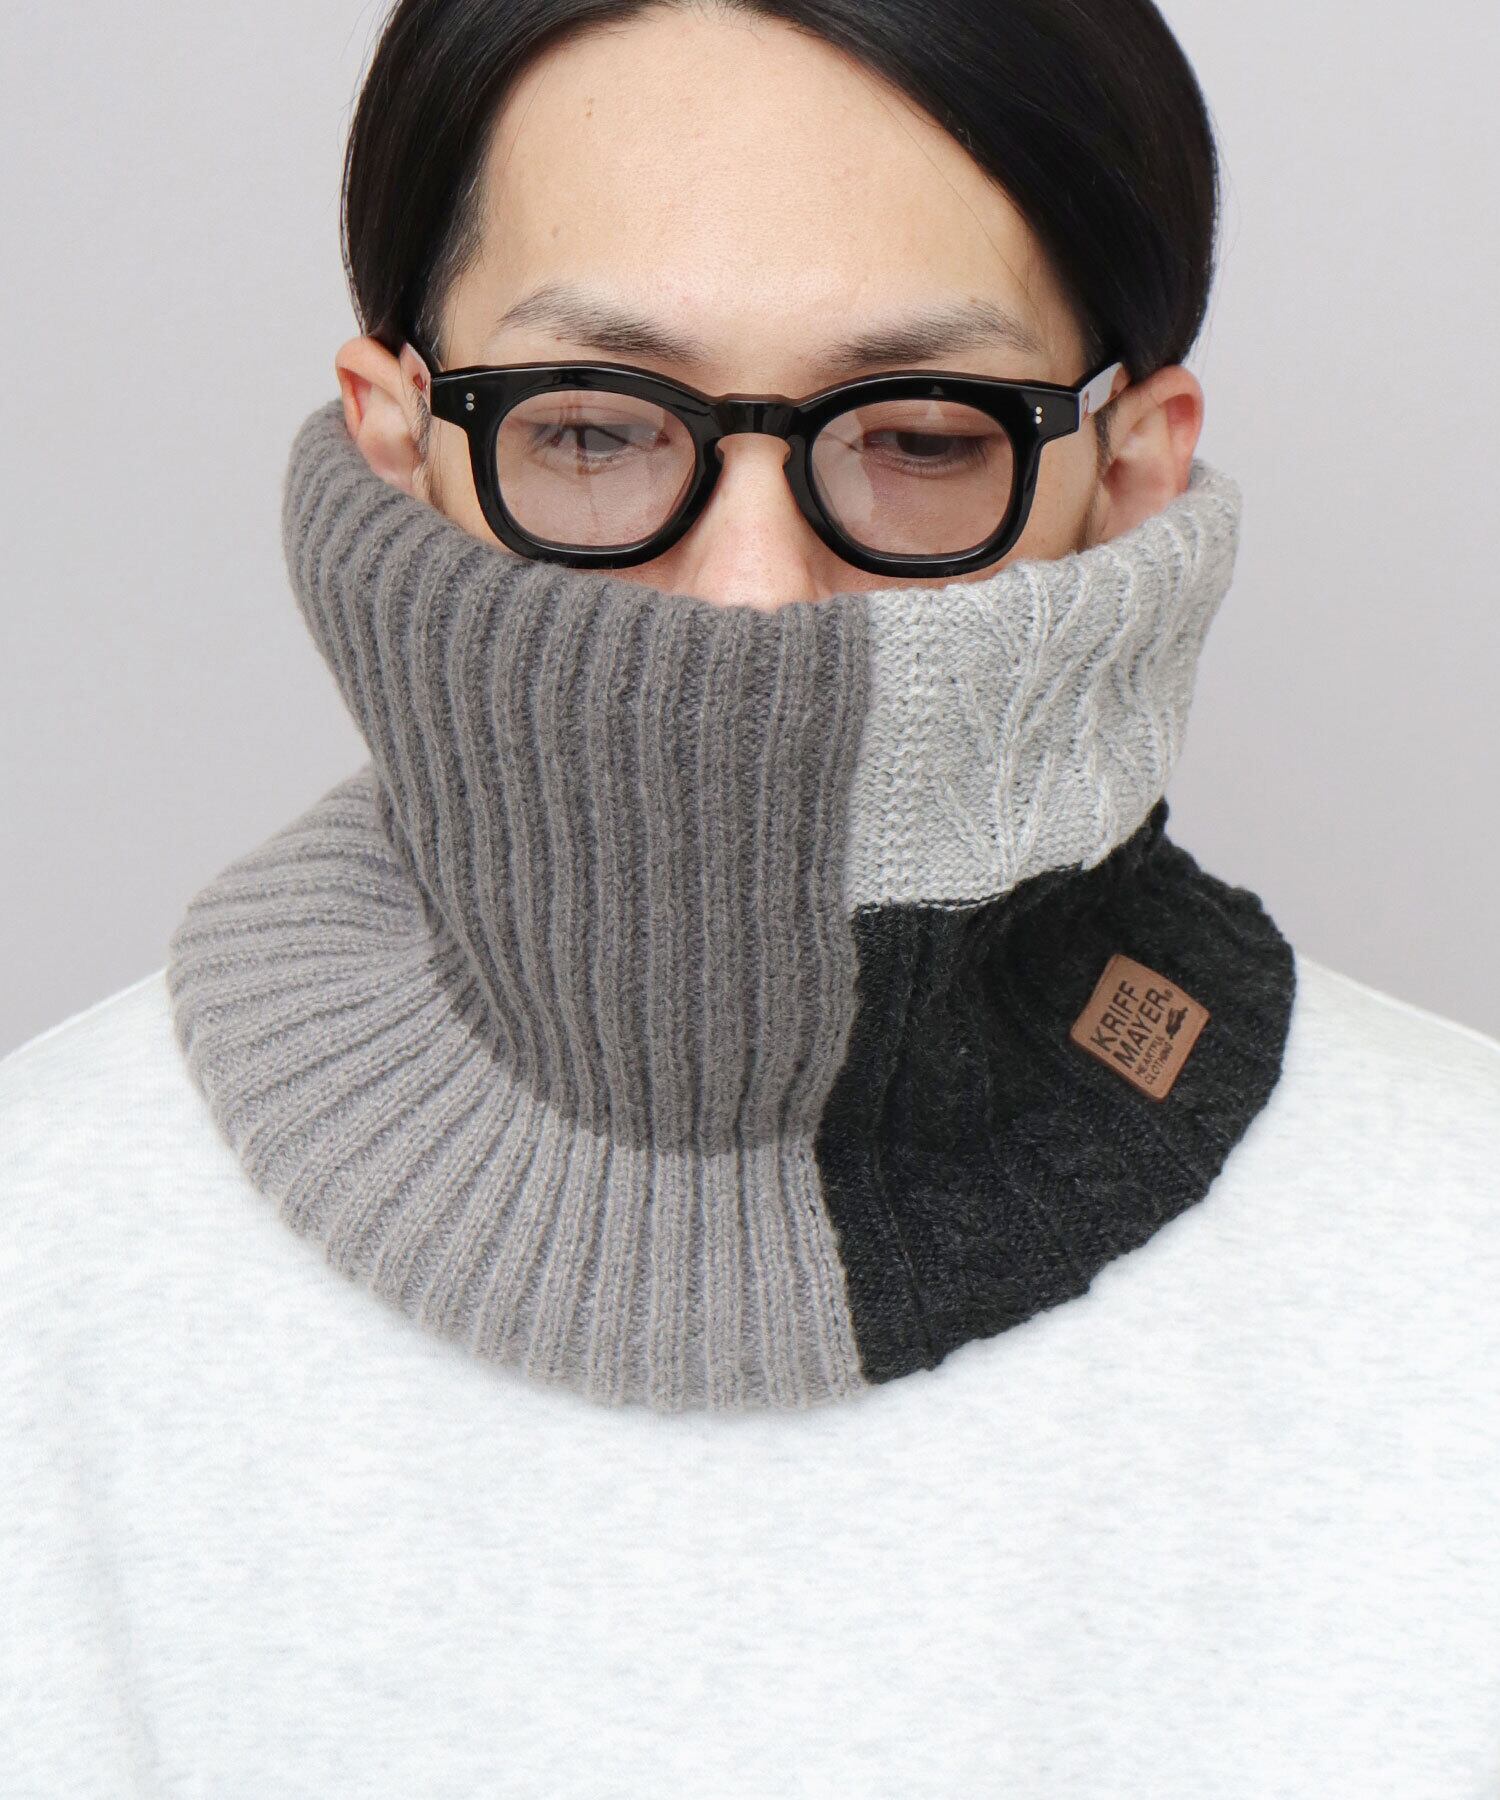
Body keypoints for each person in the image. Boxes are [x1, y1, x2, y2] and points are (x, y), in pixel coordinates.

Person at [3, 1, 1498, 1793]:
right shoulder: (40, 1266)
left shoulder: (1462, 1262)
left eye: (924, 437)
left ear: (1130, 473)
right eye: (590, 428)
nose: (752, 596)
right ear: (402, 440)